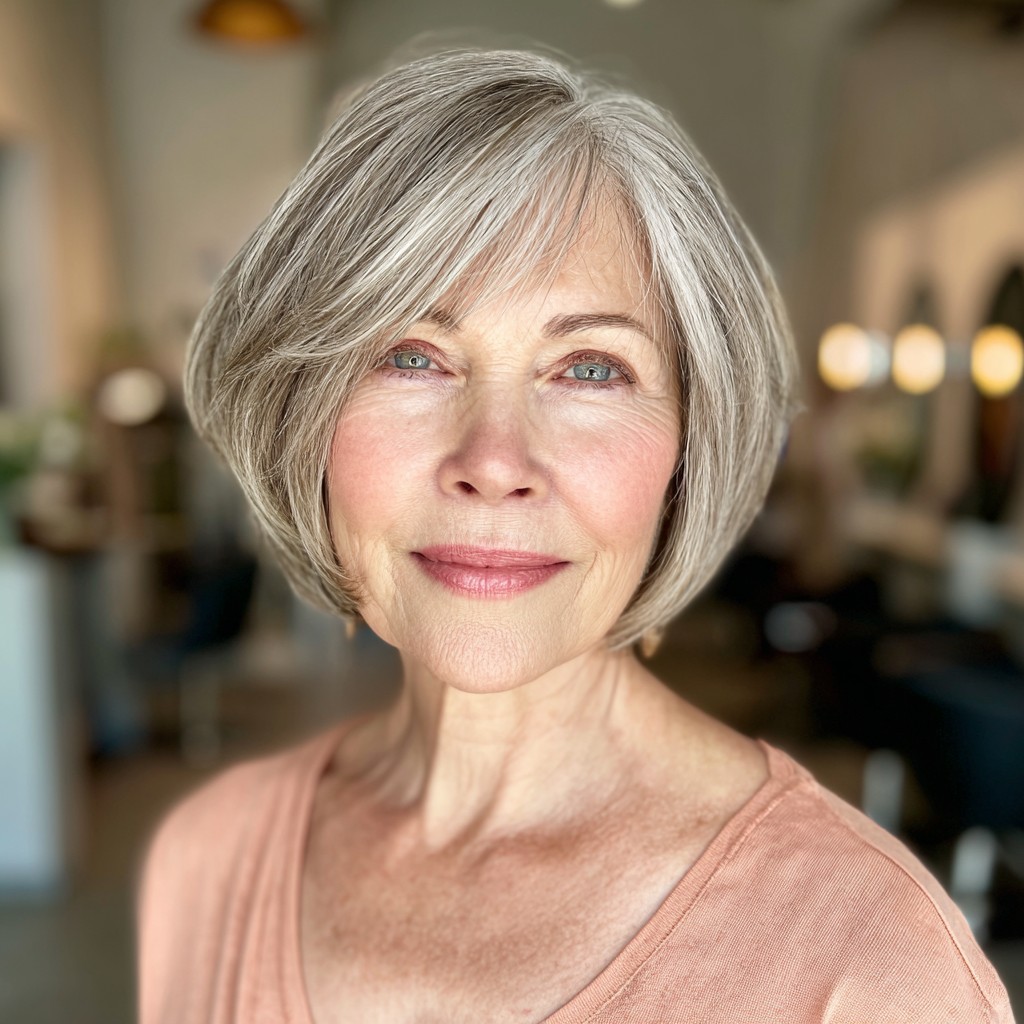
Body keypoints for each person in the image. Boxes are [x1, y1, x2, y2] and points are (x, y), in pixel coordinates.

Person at [136, 44, 1016, 1024]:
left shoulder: (871, 967)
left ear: (691, 433)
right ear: (301, 413)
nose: (495, 457)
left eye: (590, 367)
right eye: (410, 355)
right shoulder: (206, 862)